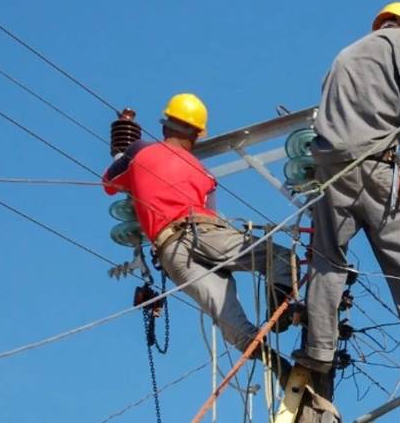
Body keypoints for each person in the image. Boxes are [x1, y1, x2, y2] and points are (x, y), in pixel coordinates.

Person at [294, 2, 400, 373]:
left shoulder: (346, 55)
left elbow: (360, 106)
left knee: (326, 261)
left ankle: (319, 352)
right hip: (375, 168)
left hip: (331, 171)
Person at [103, 93, 295, 350]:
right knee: (280, 257)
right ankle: (281, 311)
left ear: (164, 126)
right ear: (196, 135)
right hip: (203, 233)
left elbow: (109, 182)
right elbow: (211, 219)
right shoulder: (205, 174)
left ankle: (275, 365)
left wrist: (124, 146)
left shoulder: (141, 152)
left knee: (227, 317)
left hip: (171, 253)